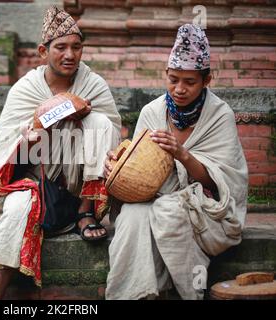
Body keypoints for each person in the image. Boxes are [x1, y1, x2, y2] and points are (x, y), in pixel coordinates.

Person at [104, 24, 248, 300]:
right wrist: (118, 165)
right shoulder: (152, 112)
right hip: (155, 198)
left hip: (207, 211)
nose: (179, 89)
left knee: (168, 211)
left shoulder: (219, 115)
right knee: (133, 217)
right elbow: (138, 173)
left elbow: (223, 185)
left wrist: (183, 155)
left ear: (207, 80)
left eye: (189, 82)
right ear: (165, 75)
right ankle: (135, 295)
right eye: (173, 79)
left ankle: (190, 293)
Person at [0, 6, 121, 299]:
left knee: (99, 122)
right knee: (14, 215)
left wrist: (78, 113)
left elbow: (113, 133)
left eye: (76, 47)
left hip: (78, 182)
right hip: (34, 180)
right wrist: (42, 125)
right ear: (43, 52)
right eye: (60, 47)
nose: (70, 54)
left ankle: (86, 213)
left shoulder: (93, 84)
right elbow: (12, 149)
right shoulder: (25, 89)